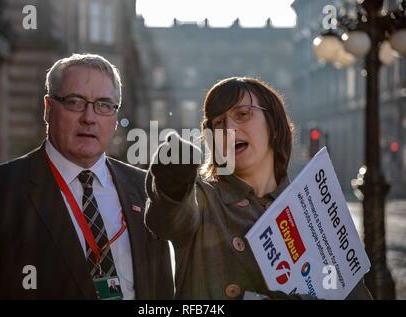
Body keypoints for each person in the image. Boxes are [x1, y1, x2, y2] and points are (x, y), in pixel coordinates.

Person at [0, 53, 173, 299]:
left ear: (114, 118)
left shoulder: (145, 188)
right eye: (74, 102)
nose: (89, 118)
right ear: (48, 109)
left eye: (103, 105)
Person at [145, 76, 372, 300]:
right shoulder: (202, 197)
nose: (229, 128)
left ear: (273, 126)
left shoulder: (314, 209)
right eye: (218, 123)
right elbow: (170, 218)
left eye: (242, 114)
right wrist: (173, 178)